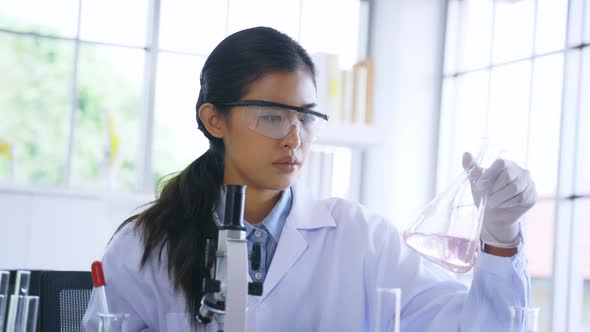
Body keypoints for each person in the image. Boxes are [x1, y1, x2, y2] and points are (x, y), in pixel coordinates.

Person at [83, 27, 536, 331]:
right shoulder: (146, 244)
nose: (294, 139)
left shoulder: (362, 238)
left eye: (307, 116)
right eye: (272, 116)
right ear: (215, 119)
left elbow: (480, 325)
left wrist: (500, 234)